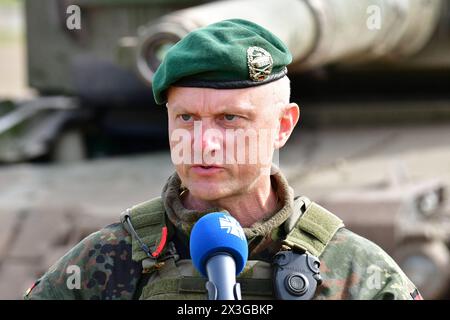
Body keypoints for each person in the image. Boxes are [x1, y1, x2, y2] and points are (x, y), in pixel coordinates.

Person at [24, 19, 422, 300]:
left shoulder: (356, 272)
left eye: (230, 118)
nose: (203, 142)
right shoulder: (103, 264)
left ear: (283, 125)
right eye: (186, 118)